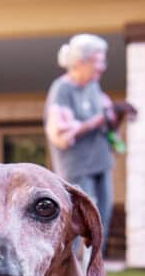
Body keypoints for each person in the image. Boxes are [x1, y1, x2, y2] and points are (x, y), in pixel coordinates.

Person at [44, 34, 131, 261]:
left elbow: (106, 119)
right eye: (97, 61)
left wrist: (117, 114)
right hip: (77, 165)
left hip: (101, 161)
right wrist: (97, 120)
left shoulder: (94, 87)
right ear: (81, 62)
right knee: (75, 219)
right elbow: (61, 133)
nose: (102, 67)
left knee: (102, 217)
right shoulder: (62, 89)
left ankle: (94, 273)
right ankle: (68, 273)